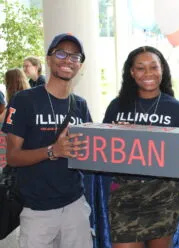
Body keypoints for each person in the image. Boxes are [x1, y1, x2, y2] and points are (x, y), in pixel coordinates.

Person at [1, 33, 93, 248]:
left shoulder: (80, 105)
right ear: (49, 59)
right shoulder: (24, 100)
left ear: (80, 65)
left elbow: (89, 151)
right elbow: (12, 157)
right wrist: (53, 151)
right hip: (36, 210)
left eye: (75, 56)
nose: (68, 60)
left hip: (75, 206)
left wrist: (118, 133)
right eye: (61, 53)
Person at [102, 46, 179, 248]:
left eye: (154, 67)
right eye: (141, 68)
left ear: (162, 70)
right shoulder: (117, 107)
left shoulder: (176, 109)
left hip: (162, 197)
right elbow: (102, 152)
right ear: (132, 72)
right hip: (124, 199)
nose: (148, 73)